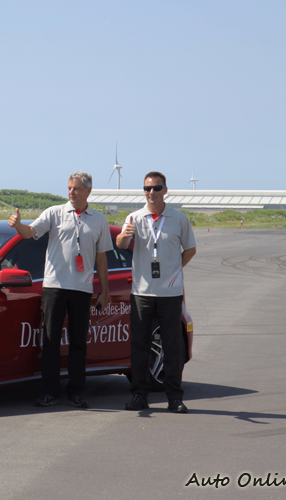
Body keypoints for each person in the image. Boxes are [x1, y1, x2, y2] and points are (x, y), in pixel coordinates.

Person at [9, 172, 112, 408]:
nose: (71, 192)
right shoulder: (54, 213)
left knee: (78, 343)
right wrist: (18, 226)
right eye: (69, 188)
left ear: (88, 191)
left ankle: (76, 392)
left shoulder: (99, 220)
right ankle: (49, 392)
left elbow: (101, 258)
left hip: (82, 289)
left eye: (76, 188)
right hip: (54, 288)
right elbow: (29, 233)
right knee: (50, 341)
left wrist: (105, 291)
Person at [116, 171, 197, 413]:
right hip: (142, 293)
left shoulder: (179, 218)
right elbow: (120, 244)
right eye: (147, 188)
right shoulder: (134, 217)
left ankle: (174, 398)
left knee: (172, 346)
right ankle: (139, 395)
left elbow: (190, 249)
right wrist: (123, 237)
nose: (151, 192)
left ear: (165, 190)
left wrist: (174, 270)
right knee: (139, 345)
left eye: (156, 188)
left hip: (170, 294)